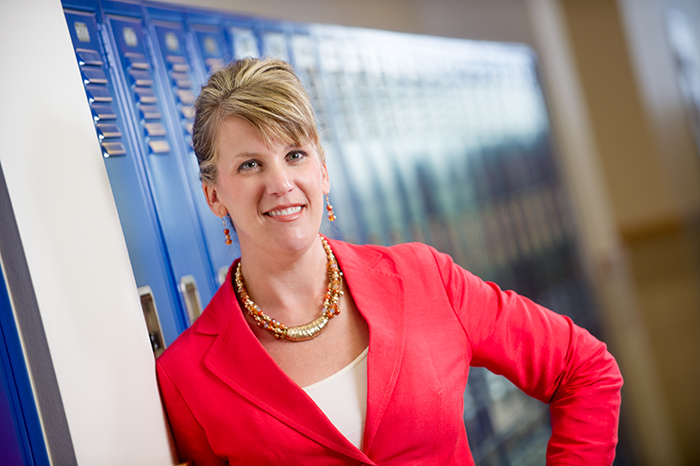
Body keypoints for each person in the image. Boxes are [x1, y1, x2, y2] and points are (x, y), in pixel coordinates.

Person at [156, 57, 623, 466]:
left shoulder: (423, 278)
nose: (281, 183)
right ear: (214, 195)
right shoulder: (187, 378)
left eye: (295, 154)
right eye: (250, 165)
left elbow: (583, 369)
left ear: (323, 170)